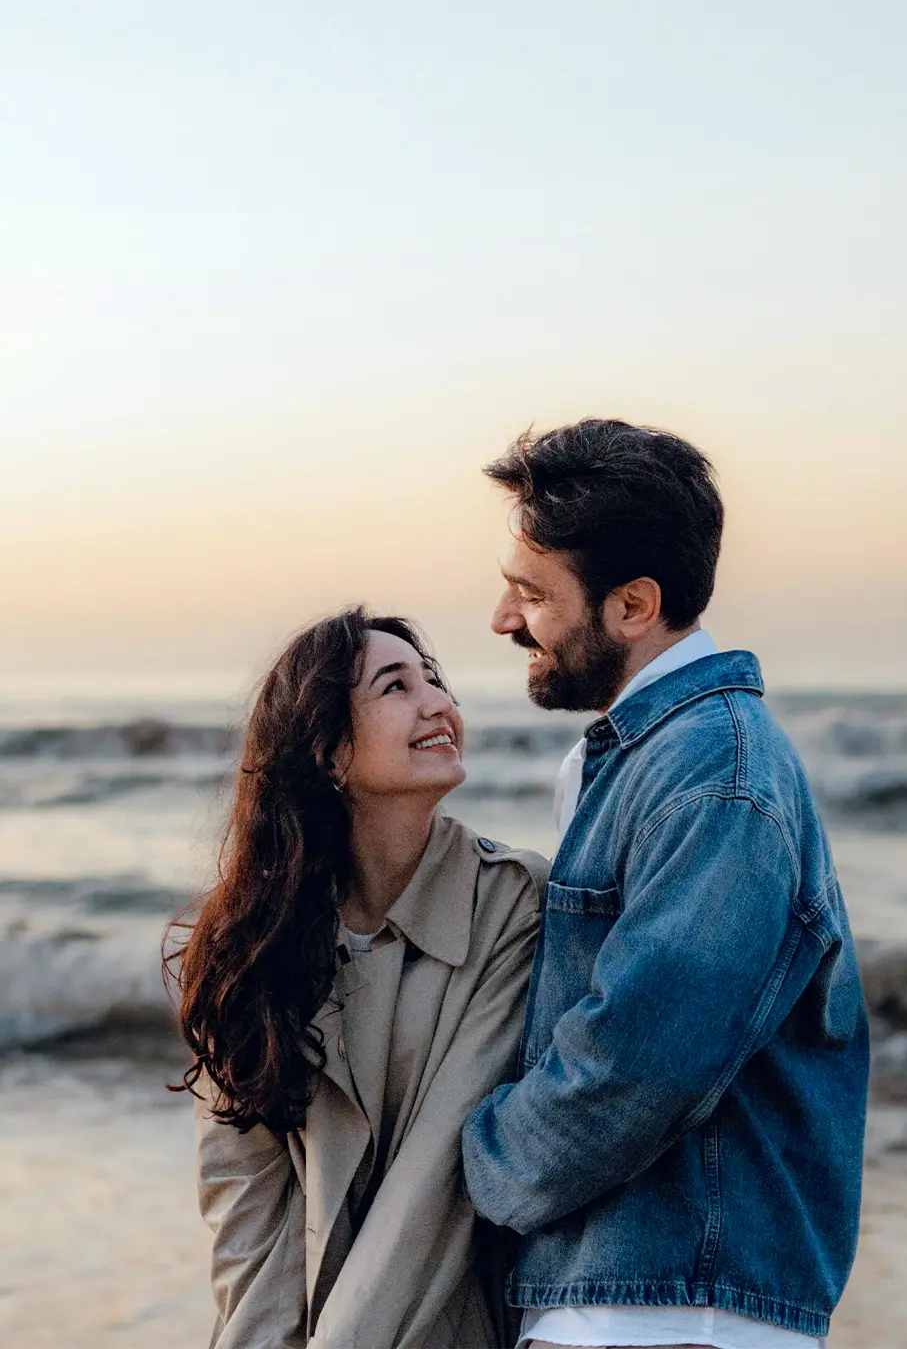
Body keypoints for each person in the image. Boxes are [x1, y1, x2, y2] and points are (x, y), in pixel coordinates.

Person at [463, 420, 869, 1349]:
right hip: (626, 1292)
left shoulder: (714, 774)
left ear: (634, 604)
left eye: (531, 593)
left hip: (674, 1307)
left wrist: (477, 1171)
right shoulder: (638, 759)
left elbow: (638, 1059)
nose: (501, 620)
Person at [167, 609, 546, 1349]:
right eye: (396, 687)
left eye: (436, 681)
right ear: (330, 753)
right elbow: (248, 1226)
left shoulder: (511, 901)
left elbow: (437, 1182)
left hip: (450, 1320)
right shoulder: (247, 943)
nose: (439, 704)